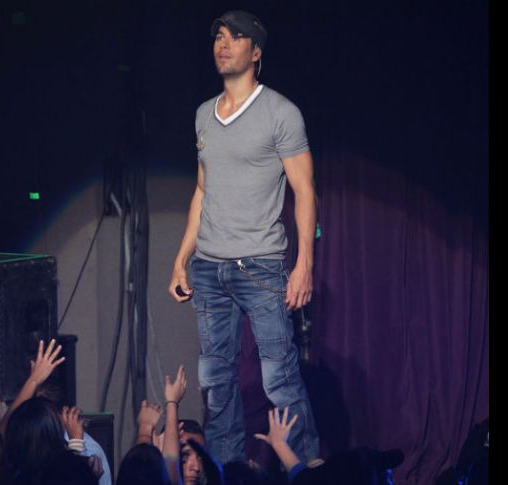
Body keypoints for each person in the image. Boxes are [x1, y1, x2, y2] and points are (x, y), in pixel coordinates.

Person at [168, 9, 320, 466]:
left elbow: (305, 190)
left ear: (255, 52)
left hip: (261, 266)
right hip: (209, 270)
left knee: (280, 379)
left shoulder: (280, 112)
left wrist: (304, 264)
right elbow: (202, 190)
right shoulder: (203, 115)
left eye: (235, 37)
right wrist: (181, 259)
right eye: (218, 36)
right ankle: (229, 471)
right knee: (216, 380)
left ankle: (307, 469)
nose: (223, 43)